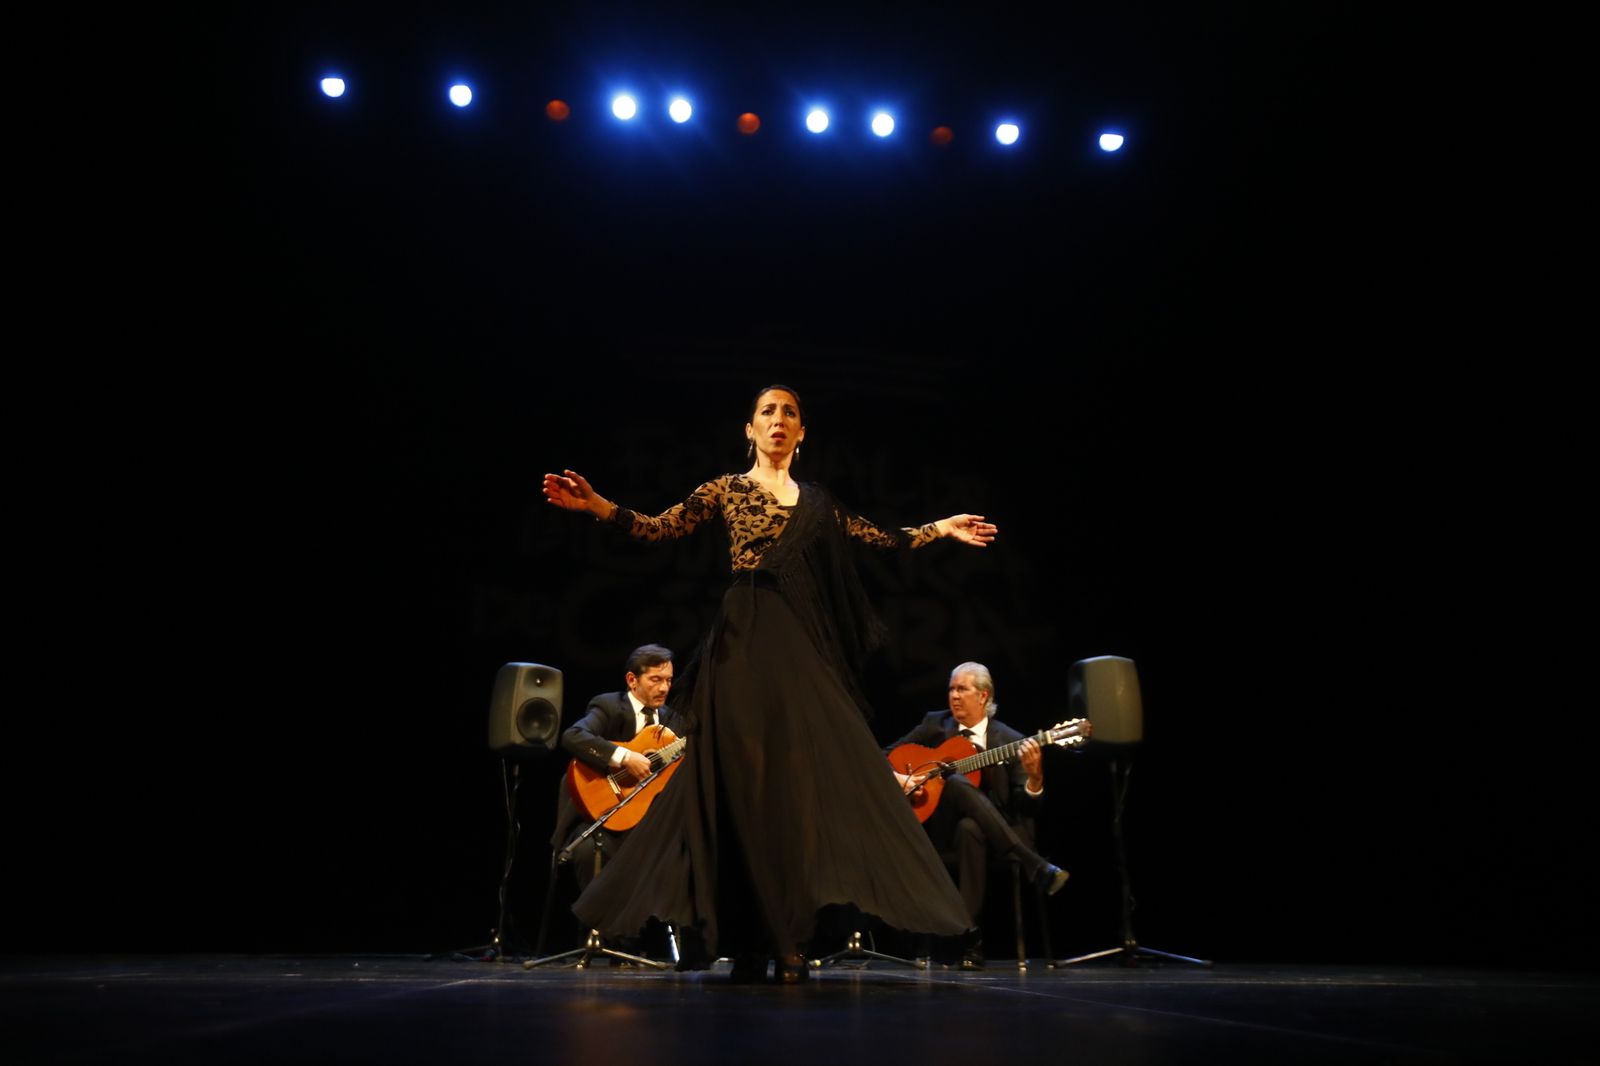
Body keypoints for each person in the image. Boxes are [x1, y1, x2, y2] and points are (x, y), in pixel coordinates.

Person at [542, 384, 993, 982]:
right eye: (767, 412)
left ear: (801, 434)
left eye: (790, 414)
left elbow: (883, 540)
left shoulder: (818, 503)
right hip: (740, 645)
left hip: (796, 649)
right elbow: (660, 528)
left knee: (794, 792)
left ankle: (789, 937)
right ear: (749, 430)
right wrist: (599, 506)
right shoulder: (726, 488)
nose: (778, 421)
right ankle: (750, 941)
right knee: (742, 790)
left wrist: (940, 527)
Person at [887, 662, 1068, 969]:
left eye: (962, 689)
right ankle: (1033, 864)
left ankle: (970, 940)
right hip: (938, 826)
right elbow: (883, 755)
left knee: (971, 828)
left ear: (983, 696)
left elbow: (1027, 808)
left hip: (992, 832)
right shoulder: (934, 724)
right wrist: (902, 779)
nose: (954, 696)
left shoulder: (1010, 740)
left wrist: (1035, 780)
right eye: (951, 689)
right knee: (955, 780)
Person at [550, 644, 680, 891]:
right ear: (632, 680)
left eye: (668, 680)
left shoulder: (672, 720)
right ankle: (596, 928)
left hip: (648, 822)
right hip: (600, 815)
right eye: (655, 679)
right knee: (590, 850)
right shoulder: (609, 706)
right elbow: (574, 736)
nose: (664, 688)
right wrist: (625, 757)